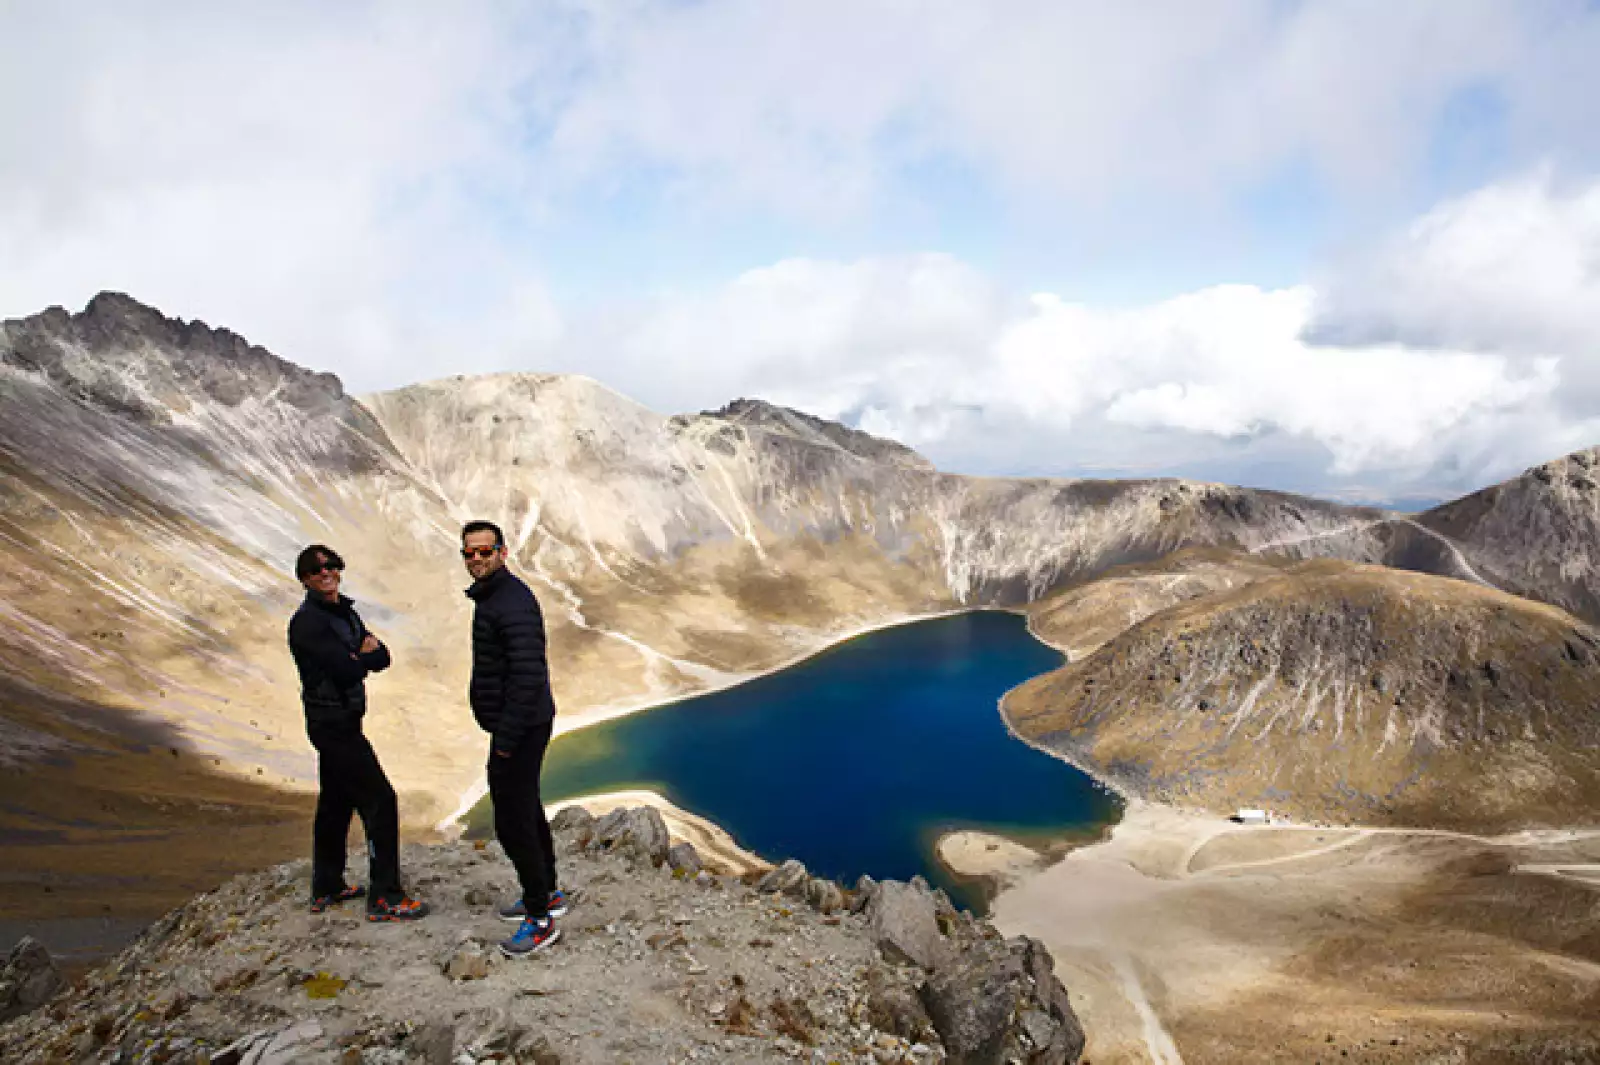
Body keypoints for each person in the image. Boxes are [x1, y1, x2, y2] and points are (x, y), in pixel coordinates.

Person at [287, 544, 429, 922]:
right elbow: (348, 669)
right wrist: (360, 657)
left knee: (336, 803)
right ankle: (385, 898)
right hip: (332, 724)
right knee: (381, 800)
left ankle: (327, 886)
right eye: (317, 570)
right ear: (305, 579)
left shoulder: (344, 613)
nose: (327, 573)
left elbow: (382, 658)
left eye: (332, 566)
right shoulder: (308, 623)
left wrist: (359, 657)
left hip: (345, 720)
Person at [461, 520, 568, 957]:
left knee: (511, 819)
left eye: (485, 552)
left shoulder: (511, 602)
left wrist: (505, 738)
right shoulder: (494, 598)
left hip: (519, 726)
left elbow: (528, 674)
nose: (476, 560)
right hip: (520, 723)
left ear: (502, 553)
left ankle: (540, 918)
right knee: (525, 806)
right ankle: (549, 894)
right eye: (469, 553)